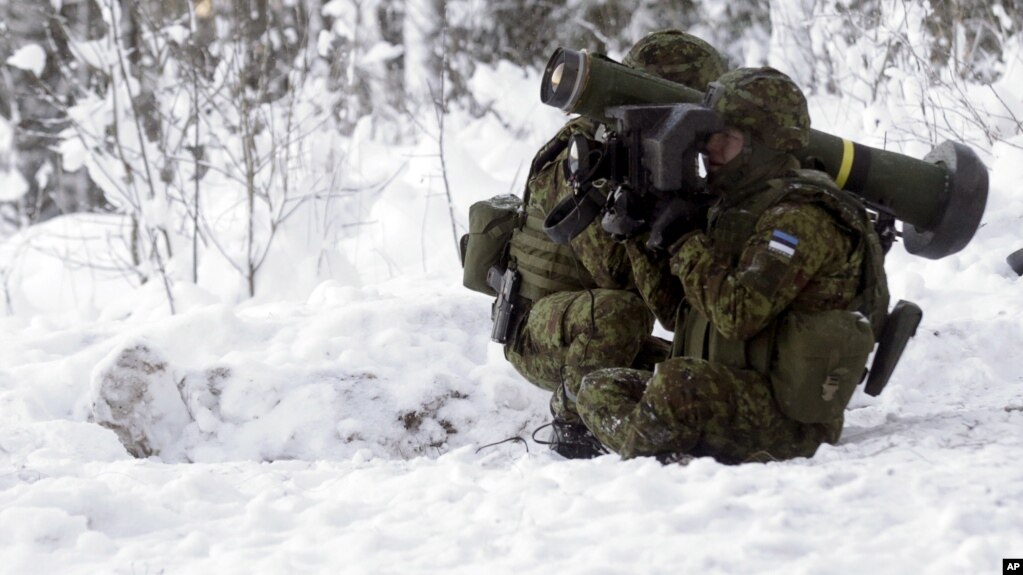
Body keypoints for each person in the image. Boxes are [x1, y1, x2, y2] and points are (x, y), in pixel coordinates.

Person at [574, 67, 891, 464]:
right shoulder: (734, 205)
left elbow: (737, 315)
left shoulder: (801, 218)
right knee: (600, 386)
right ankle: (658, 452)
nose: (711, 148)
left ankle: (650, 467)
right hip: (730, 385)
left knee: (676, 384)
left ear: (766, 145)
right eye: (711, 135)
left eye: (728, 137)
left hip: (787, 417)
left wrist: (684, 241)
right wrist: (640, 235)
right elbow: (678, 314)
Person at [502, 30, 727, 458]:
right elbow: (619, 274)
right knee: (618, 313)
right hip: (542, 330)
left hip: (599, 326)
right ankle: (572, 420)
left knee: (699, 375)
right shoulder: (590, 154)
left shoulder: (651, 151)